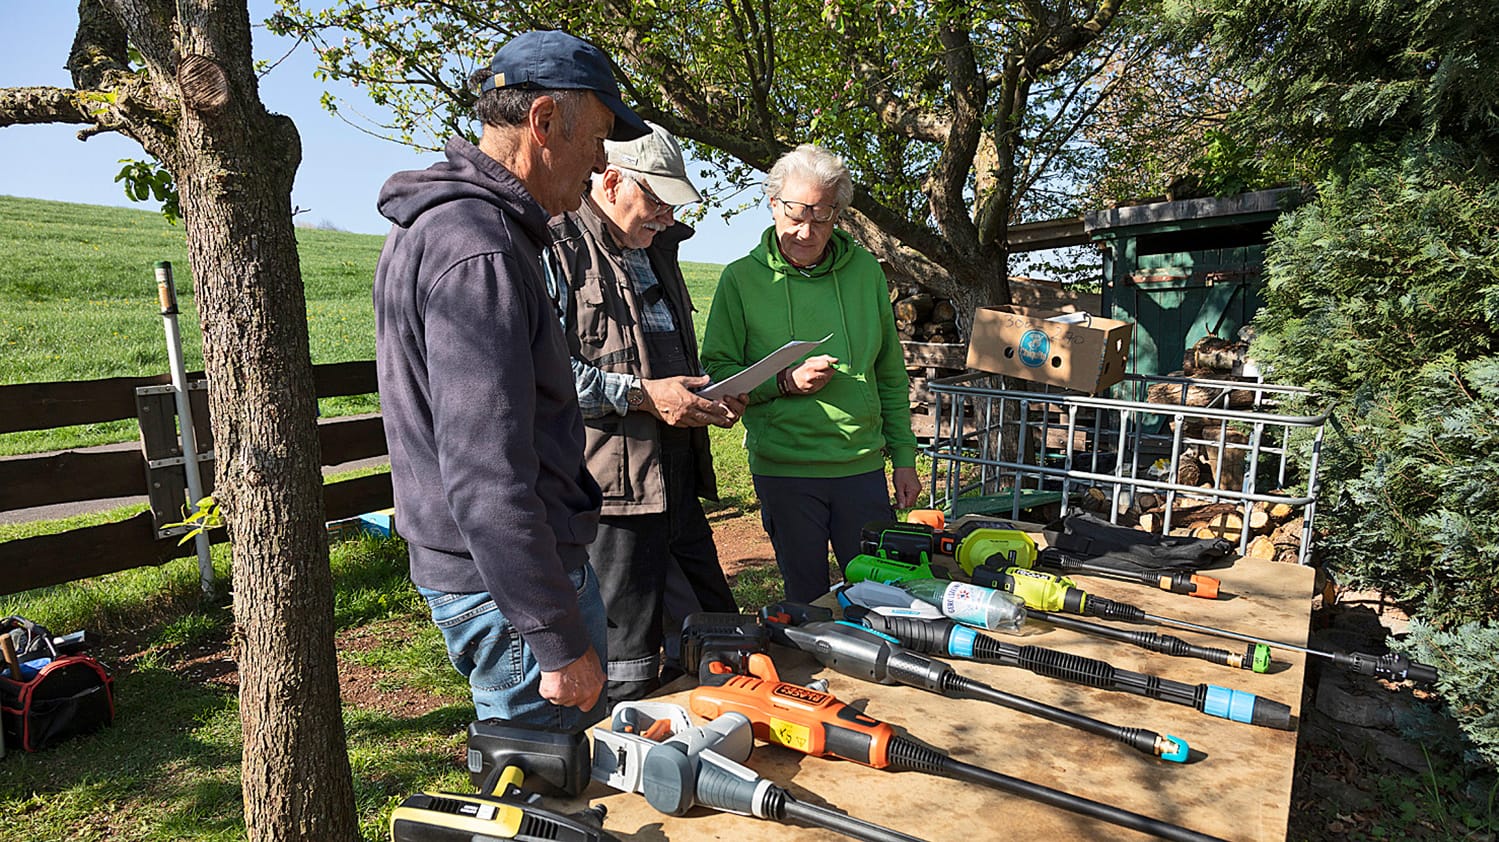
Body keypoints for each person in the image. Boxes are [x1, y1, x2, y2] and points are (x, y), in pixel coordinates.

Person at [372, 30, 650, 730]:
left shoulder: (462, 229)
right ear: (545, 121)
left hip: (497, 578)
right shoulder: (479, 249)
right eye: (597, 136)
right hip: (508, 590)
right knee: (544, 796)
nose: (600, 161)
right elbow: (484, 473)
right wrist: (555, 637)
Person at [548, 122, 742, 702]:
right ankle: (626, 760)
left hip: (675, 471)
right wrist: (644, 396)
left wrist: (707, 396)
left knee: (720, 630)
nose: (663, 216)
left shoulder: (657, 248)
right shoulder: (555, 246)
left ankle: (718, 736)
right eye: (655, 200)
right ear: (610, 181)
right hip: (610, 488)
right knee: (626, 656)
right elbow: (548, 377)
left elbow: (665, 357)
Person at [700, 144, 921, 604]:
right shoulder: (741, 280)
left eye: (821, 217)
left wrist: (903, 456)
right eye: (796, 214)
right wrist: (783, 382)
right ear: (773, 203)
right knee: (807, 599)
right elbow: (719, 369)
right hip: (785, 469)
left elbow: (889, 371)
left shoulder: (865, 273)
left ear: (838, 213)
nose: (806, 231)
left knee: (882, 593)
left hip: (860, 466)